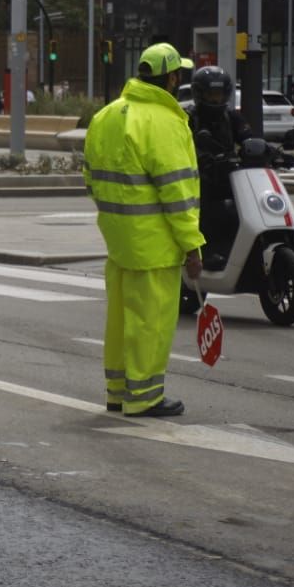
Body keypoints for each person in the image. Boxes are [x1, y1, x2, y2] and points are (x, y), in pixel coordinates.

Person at [83, 42, 205, 418]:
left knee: (120, 321)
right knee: (150, 323)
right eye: (178, 75)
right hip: (155, 245)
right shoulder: (166, 122)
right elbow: (178, 193)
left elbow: (91, 179)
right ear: (170, 78)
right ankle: (145, 397)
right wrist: (192, 246)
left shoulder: (106, 116)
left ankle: (118, 392)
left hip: (119, 241)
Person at [186, 66, 252, 271]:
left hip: (230, 177)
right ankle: (208, 251)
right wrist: (200, 156)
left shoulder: (231, 116)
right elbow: (180, 144)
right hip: (201, 179)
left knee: (242, 208)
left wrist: (263, 149)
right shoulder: (190, 118)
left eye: (220, 94)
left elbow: (248, 137)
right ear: (199, 94)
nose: (216, 100)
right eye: (211, 95)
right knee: (212, 210)